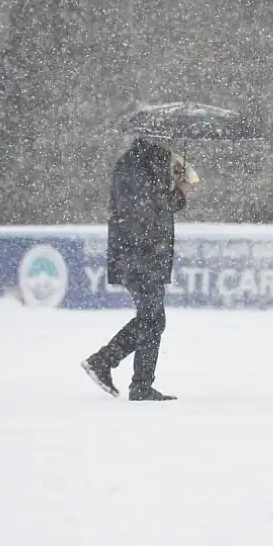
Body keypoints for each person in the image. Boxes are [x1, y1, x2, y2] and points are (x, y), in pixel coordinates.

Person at [81, 134, 192, 401]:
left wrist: (173, 186)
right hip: (142, 255)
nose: (171, 142)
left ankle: (120, 371)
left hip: (137, 254)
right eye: (168, 138)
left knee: (152, 320)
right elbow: (151, 210)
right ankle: (120, 372)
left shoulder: (137, 162)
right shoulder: (145, 164)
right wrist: (180, 194)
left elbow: (145, 206)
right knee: (153, 320)